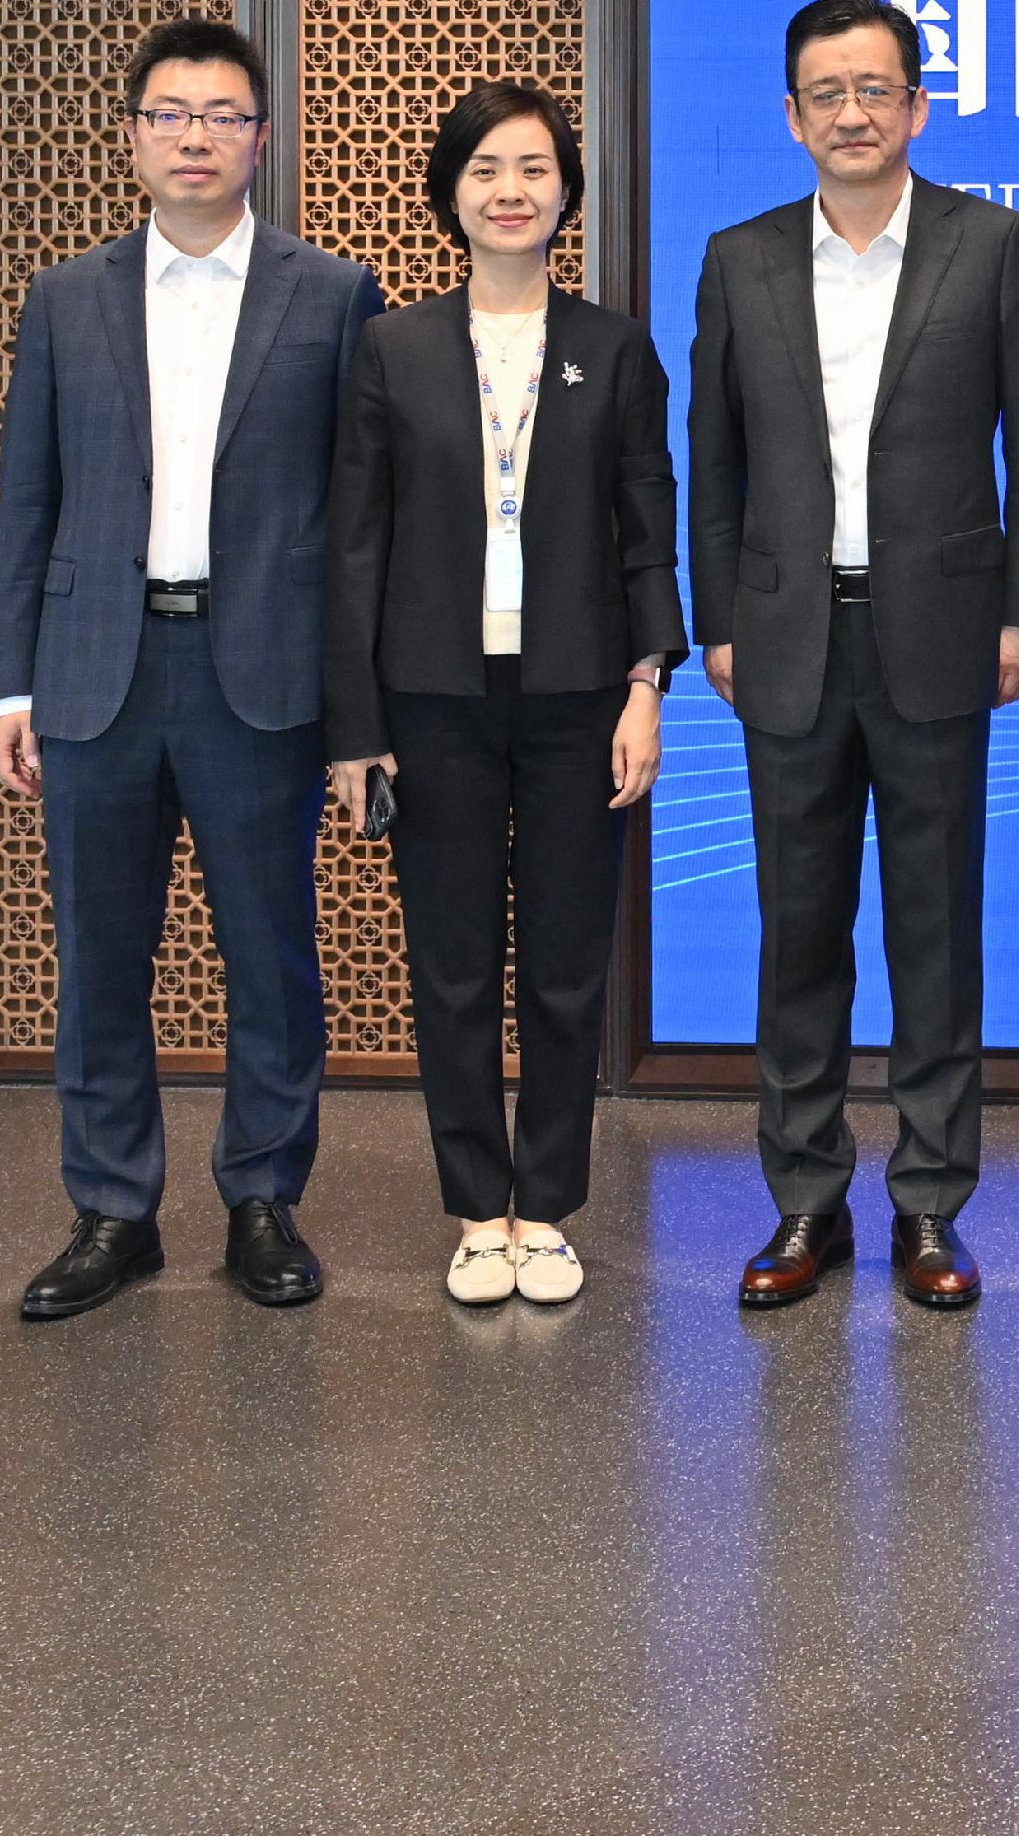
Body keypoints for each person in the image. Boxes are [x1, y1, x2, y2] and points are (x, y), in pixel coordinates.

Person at [0, 18, 385, 1321]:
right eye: (171, 112)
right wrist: (9, 683)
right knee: (99, 954)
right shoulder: (66, 297)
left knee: (271, 951)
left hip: (258, 673)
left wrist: (353, 711)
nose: (197, 134)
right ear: (134, 135)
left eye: (223, 113)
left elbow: (354, 523)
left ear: (263, 137)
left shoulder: (333, 296)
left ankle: (263, 1196)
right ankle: (112, 1208)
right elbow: (28, 505)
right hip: (98, 669)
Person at [688, 0, 1019, 1313]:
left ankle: (927, 1204)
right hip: (787, 639)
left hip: (942, 634)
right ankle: (803, 1196)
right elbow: (716, 461)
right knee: (799, 930)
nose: (854, 111)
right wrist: (718, 620)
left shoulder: (992, 244)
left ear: (918, 103)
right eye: (827, 92)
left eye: (877, 88)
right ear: (793, 116)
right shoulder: (738, 257)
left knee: (933, 929)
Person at [322, 80, 685, 1309]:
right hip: (434, 697)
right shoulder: (395, 348)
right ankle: (480, 1209)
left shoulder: (616, 348)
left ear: (566, 193)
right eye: (485, 170)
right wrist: (357, 728)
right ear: (451, 195)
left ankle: (551, 1207)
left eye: (534, 169)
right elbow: (355, 546)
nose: (511, 190)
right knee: (456, 964)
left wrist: (649, 683)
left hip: (583, 692)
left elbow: (648, 531)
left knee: (569, 966)